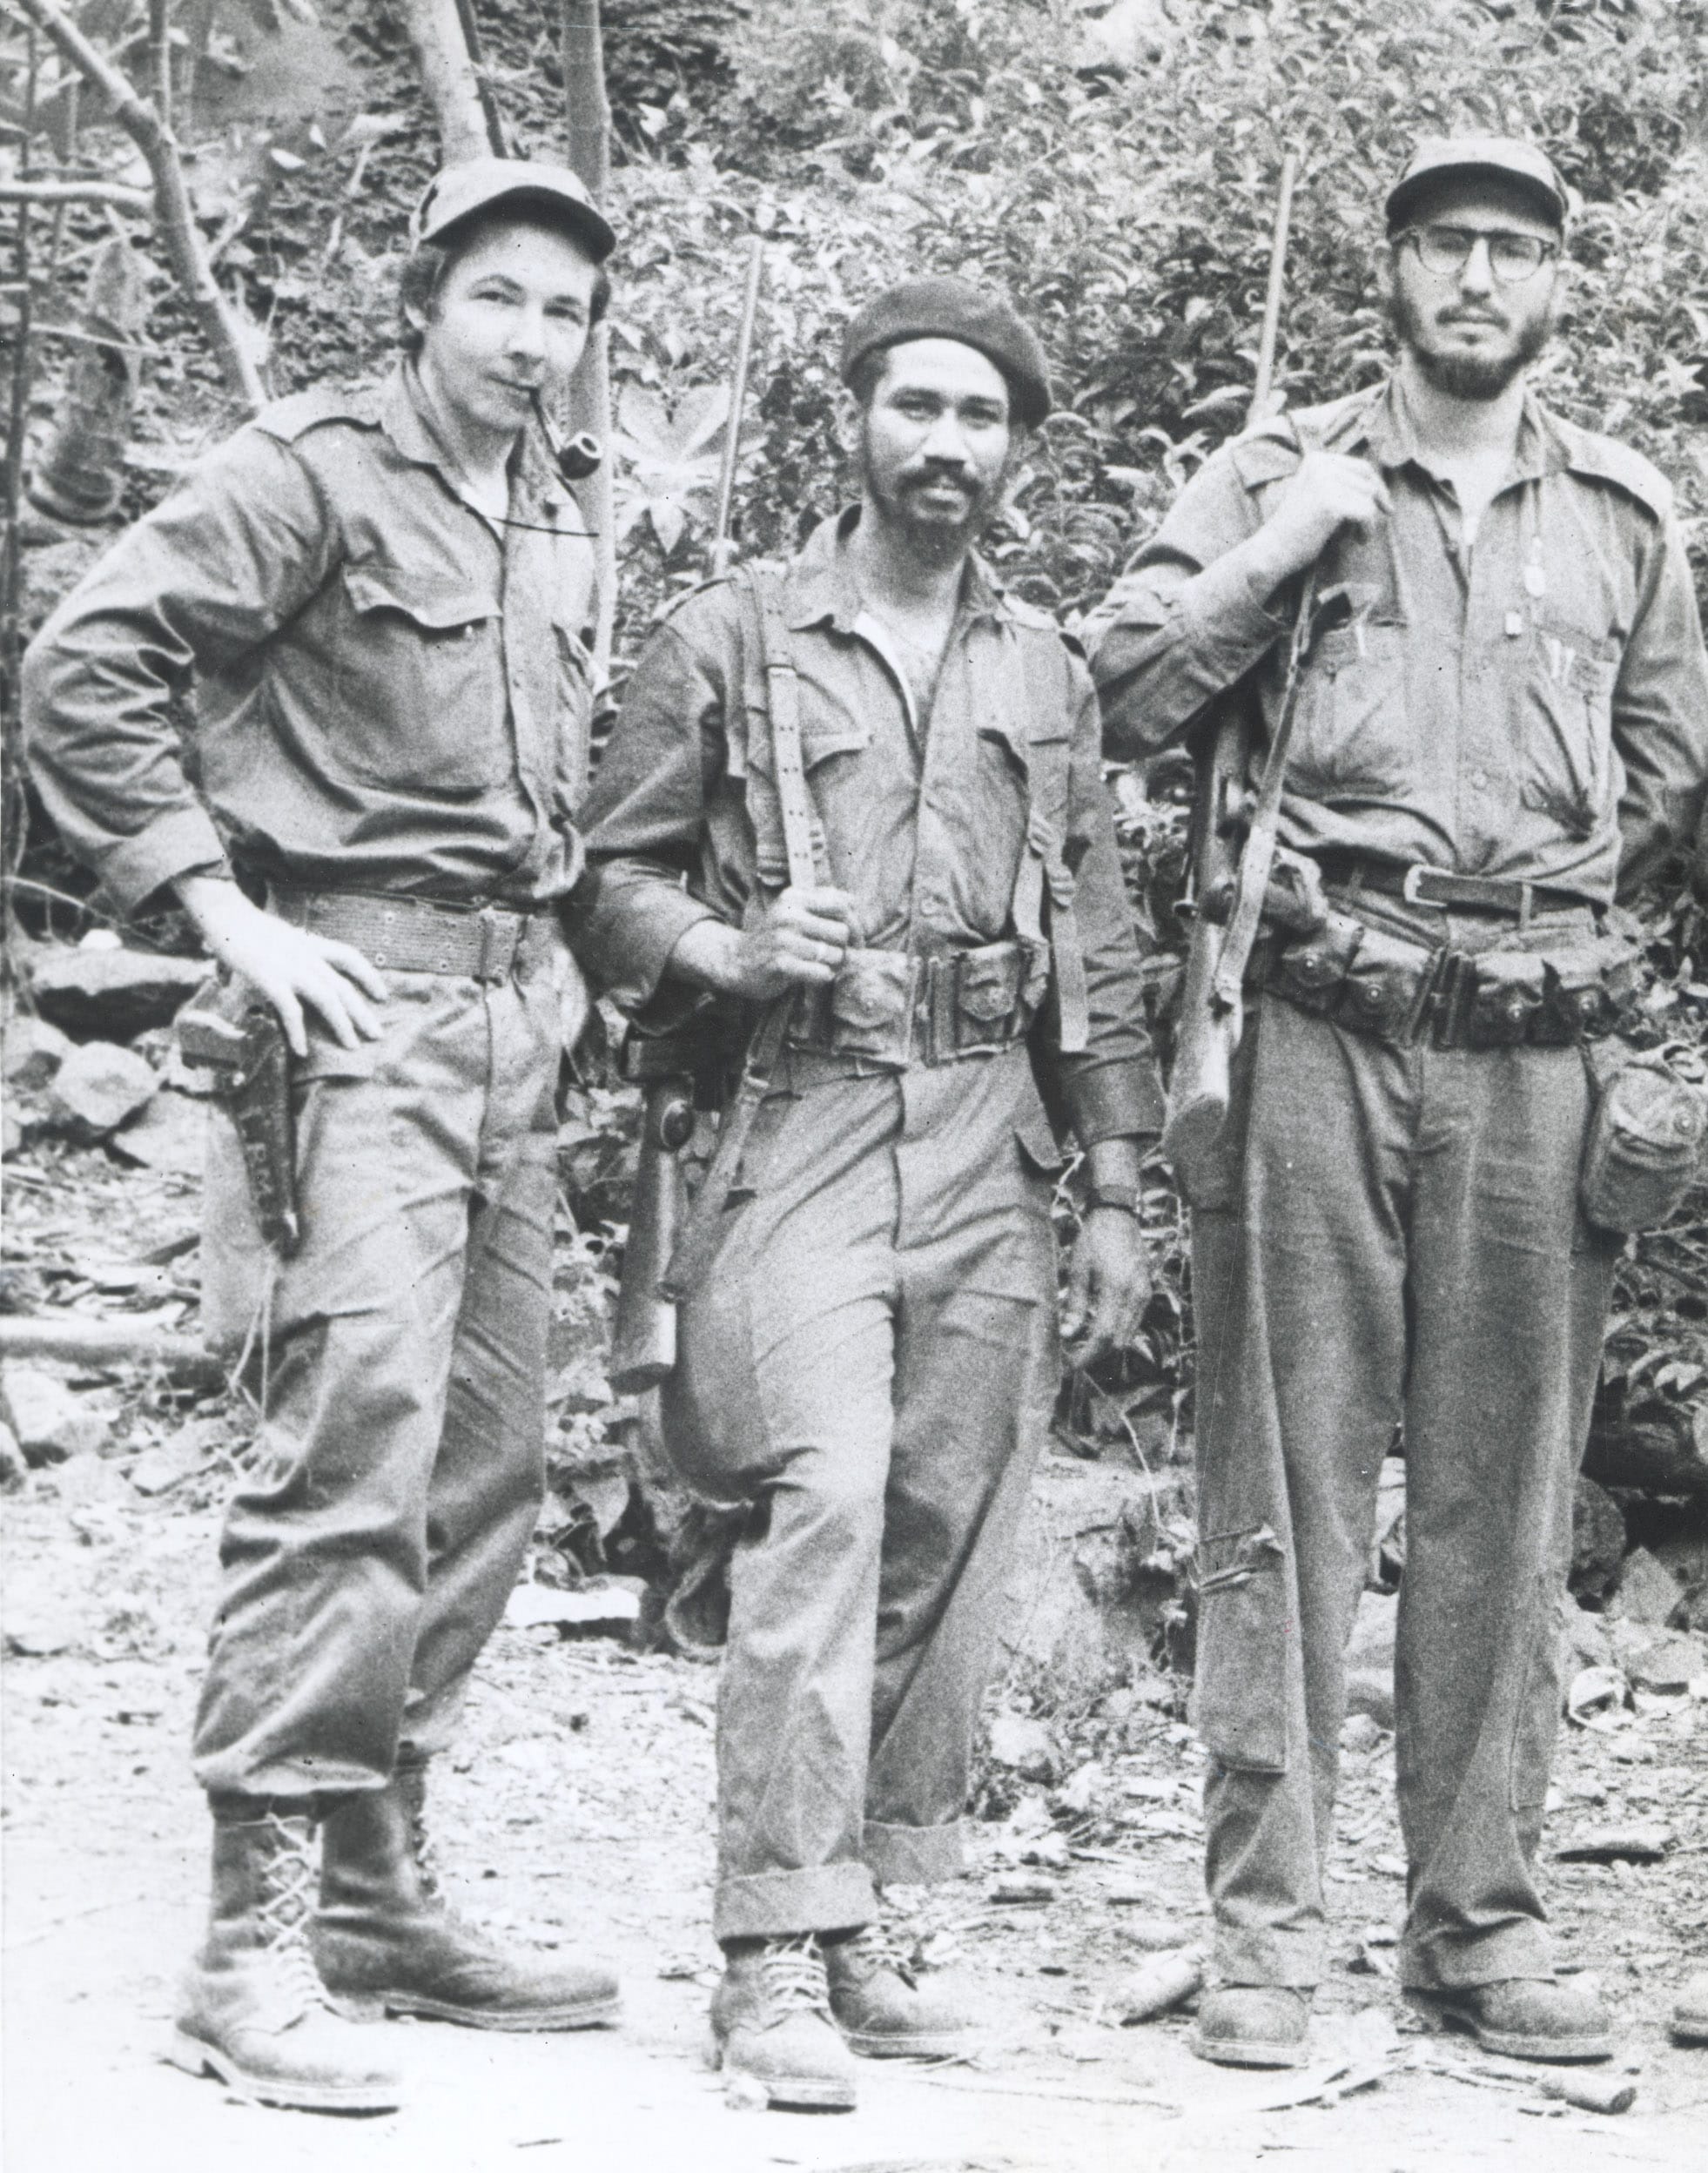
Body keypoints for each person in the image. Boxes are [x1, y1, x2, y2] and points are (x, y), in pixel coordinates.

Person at [1087, 136, 1708, 2070]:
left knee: (1504, 1502)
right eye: (1442, 241)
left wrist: (1562, 950)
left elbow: (1675, 780)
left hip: (1536, 1049)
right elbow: (1125, 696)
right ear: (1393, 266)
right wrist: (1281, 556)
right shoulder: (1275, 475)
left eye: (1512, 248)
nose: (1474, 275)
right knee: (1276, 1484)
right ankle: (1265, 1930)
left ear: (1553, 286)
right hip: (1315, 1029)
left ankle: (1478, 1928)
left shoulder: (1623, 512)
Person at [22, 157, 625, 2114]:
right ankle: (247, 1941)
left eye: (564, 311)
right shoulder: (307, 470)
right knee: (348, 1455)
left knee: (487, 1462)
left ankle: (377, 1889)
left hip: (508, 1019)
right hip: (346, 1009)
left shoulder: (561, 503)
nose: (532, 341)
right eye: (501, 300)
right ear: (424, 298)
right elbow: (87, 667)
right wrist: (220, 911)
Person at [569, 276, 1163, 2109]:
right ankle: (764, 1956)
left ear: (1016, 451)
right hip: (802, 1109)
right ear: (853, 421)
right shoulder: (733, 639)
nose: (944, 445)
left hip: (997, 1131)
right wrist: (731, 949)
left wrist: (1123, 1177)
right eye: (915, 406)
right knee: (822, 1498)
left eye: (980, 419)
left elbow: (1099, 931)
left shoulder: (1043, 666)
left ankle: (880, 1926)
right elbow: (603, 881)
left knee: (951, 1523)